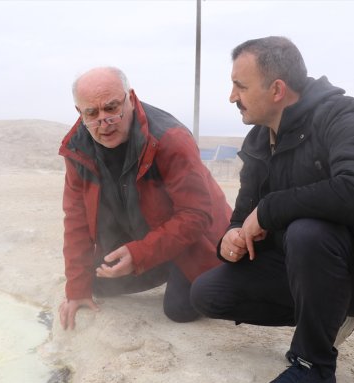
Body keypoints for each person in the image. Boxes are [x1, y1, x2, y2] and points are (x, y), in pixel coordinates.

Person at [190, 36, 354, 383]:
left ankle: (315, 371)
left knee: (307, 231)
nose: (232, 97)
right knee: (207, 294)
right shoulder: (257, 141)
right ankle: (329, 316)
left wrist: (269, 210)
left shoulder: (345, 116)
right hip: (304, 264)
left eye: (240, 86)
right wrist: (231, 238)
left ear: (277, 90)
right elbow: (243, 214)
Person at [58, 66, 232, 330]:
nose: (104, 121)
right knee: (93, 282)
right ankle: (160, 265)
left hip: (193, 240)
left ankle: (181, 268)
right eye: (92, 113)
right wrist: (77, 290)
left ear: (130, 98)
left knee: (179, 309)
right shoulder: (78, 148)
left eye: (111, 108)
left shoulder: (169, 138)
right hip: (145, 234)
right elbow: (76, 219)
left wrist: (139, 254)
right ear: (79, 112)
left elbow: (196, 215)